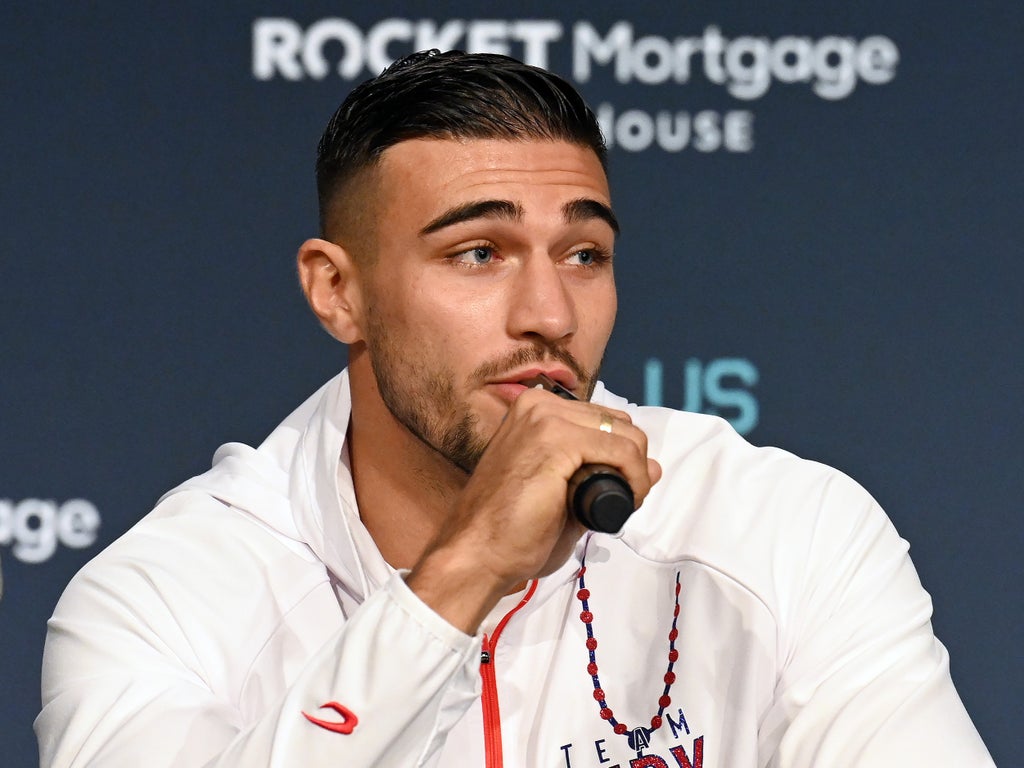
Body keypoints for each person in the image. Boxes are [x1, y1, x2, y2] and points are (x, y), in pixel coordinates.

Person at [36, 50, 994, 768]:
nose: (549, 315)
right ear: (339, 291)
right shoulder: (164, 599)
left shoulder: (782, 530)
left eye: (583, 256)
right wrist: (461, 576)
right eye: (479, 254)